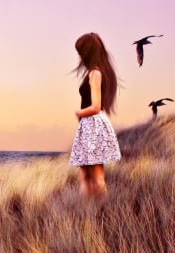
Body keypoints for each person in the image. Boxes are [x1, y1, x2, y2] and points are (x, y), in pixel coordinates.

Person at [70, 32, 121, 198]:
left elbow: (96, 107)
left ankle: (100, 212)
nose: (79, 56)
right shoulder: (96, 72)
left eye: (80, 52)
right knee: (86, 175)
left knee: (96, 177)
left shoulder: (95, 73)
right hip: (88, 126)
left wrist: (79, 112)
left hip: (92, 125)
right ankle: (89, 211)